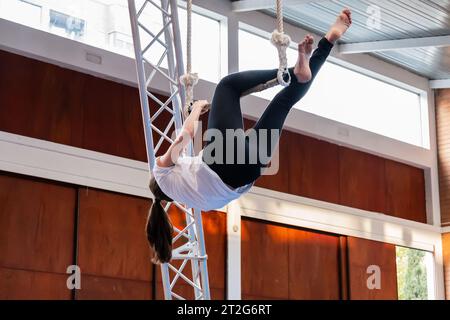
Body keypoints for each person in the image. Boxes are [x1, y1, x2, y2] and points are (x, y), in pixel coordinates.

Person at [147, 9, 353, 263]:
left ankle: (328, 41)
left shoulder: (195, 200)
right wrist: (198, 107)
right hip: (222, 163)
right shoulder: (161, 173)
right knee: (227, 87)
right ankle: (290, 70)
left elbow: (226, 182)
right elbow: (185, 136)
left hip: (249, 172)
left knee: (285, 101)